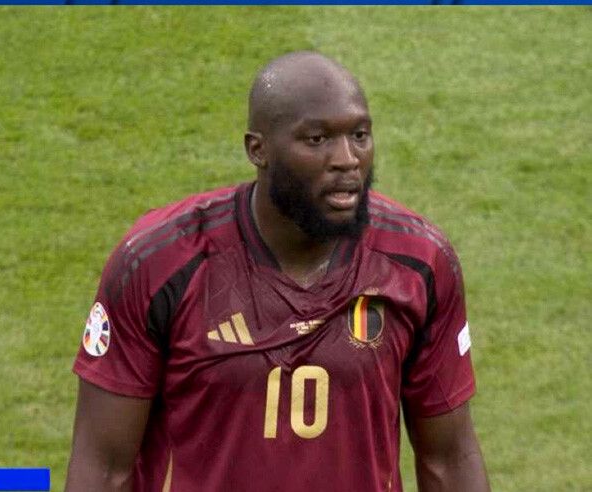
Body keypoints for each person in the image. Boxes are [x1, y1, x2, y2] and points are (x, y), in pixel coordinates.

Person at [65, 51, 490, 492]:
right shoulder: (160, 263)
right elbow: (104, 468)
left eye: (359, 135)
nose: (347, 159)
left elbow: (449, 459)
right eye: (317, 139)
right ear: (258, 149)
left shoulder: (418, 262)